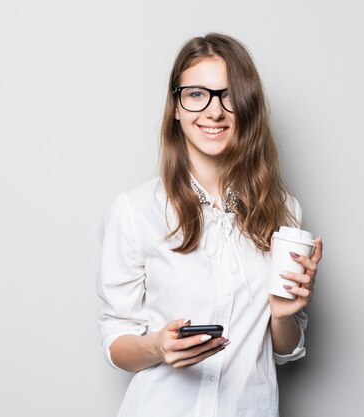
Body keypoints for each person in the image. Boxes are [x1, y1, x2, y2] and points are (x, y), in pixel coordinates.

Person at [97, 33, 323, 417]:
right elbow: (116, 341)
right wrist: (158, 347)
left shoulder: (283, 211)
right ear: (176, 107)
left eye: (228, 95)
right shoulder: (135, 211)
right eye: (196, 94)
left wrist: (284, 316)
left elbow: (285, 351)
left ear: (248, 107)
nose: (214, 111)